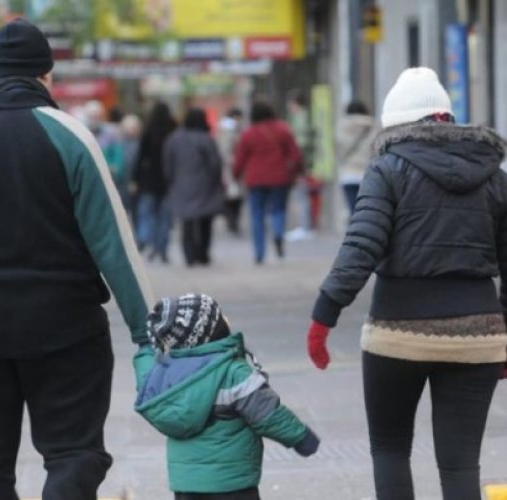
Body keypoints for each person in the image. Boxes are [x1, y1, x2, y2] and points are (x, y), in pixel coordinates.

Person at [0, 18, 154, 500]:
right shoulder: (71, 137)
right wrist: (146, 331)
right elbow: (114, 244)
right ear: (46, 75)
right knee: (74, 454)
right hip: (65, 330)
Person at [305, 67, 507, 500]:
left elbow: (361, 245)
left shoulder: (387, 169)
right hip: (478, 334)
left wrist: (325, 315)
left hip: (398, 331)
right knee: (460, 463)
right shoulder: (493, 174)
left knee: (390, 450)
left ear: (395, 125)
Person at [134, 293, 320, 500]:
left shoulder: (163, 374)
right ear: (210, 331)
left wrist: (145, 347)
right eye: (220, 316)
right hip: (232, 484)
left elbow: (145, 370)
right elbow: (268, 414)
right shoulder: (232, 372)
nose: (226, 319)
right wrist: (300, 437)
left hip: (186, 486)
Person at [233, 100, 302, 264]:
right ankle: (278, 235)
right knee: (278, 210)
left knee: (257, 215)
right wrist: (296, 171)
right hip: (280, 177)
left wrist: (236, 175)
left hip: (255, 179)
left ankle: (259, 253)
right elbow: (295, 154)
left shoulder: (248, 133)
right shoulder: (283, 129)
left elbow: (240, 158)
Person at [163, 107, 224, 266]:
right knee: (205, 222)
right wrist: (215, 181)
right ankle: (203, 253)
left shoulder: (174, 139)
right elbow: (215, 164)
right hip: (205, 185)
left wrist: (171, 180)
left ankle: (189, 255)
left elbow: (167, 164)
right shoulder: (206, 138)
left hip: (181, 185)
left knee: (187, 222)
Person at [132, 101, 177, 263]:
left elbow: (140, 158)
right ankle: (162, 248)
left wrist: (135, 179)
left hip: (149, 179)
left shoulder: (148, 131)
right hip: (167, 180)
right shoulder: (173, 130)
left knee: (148, 214)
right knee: (165, 217)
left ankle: (148, 243)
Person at [285, 90, 320, 240]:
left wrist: (298, 163)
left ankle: (304, 226)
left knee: (302, 195)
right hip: (304, 163)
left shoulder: (300, 118)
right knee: (302, 195)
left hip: (302, 164)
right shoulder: (302, 117)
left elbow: (300, 143)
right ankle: (304, 226)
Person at [336, 100, 376, 214]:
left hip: (348, 175)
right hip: (368, 174)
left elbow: (338, 152)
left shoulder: (341, 128)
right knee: (368, 211)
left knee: (353, 210)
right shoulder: (372, 127)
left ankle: (355, 231)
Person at [217, 107, 245, 235]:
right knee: (233, 197)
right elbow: (225, 150)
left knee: (233, 196)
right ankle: (232, 221)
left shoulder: (226, 129)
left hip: (232, 167)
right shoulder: (230, 130)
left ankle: (232, 221)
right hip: (231, 167)